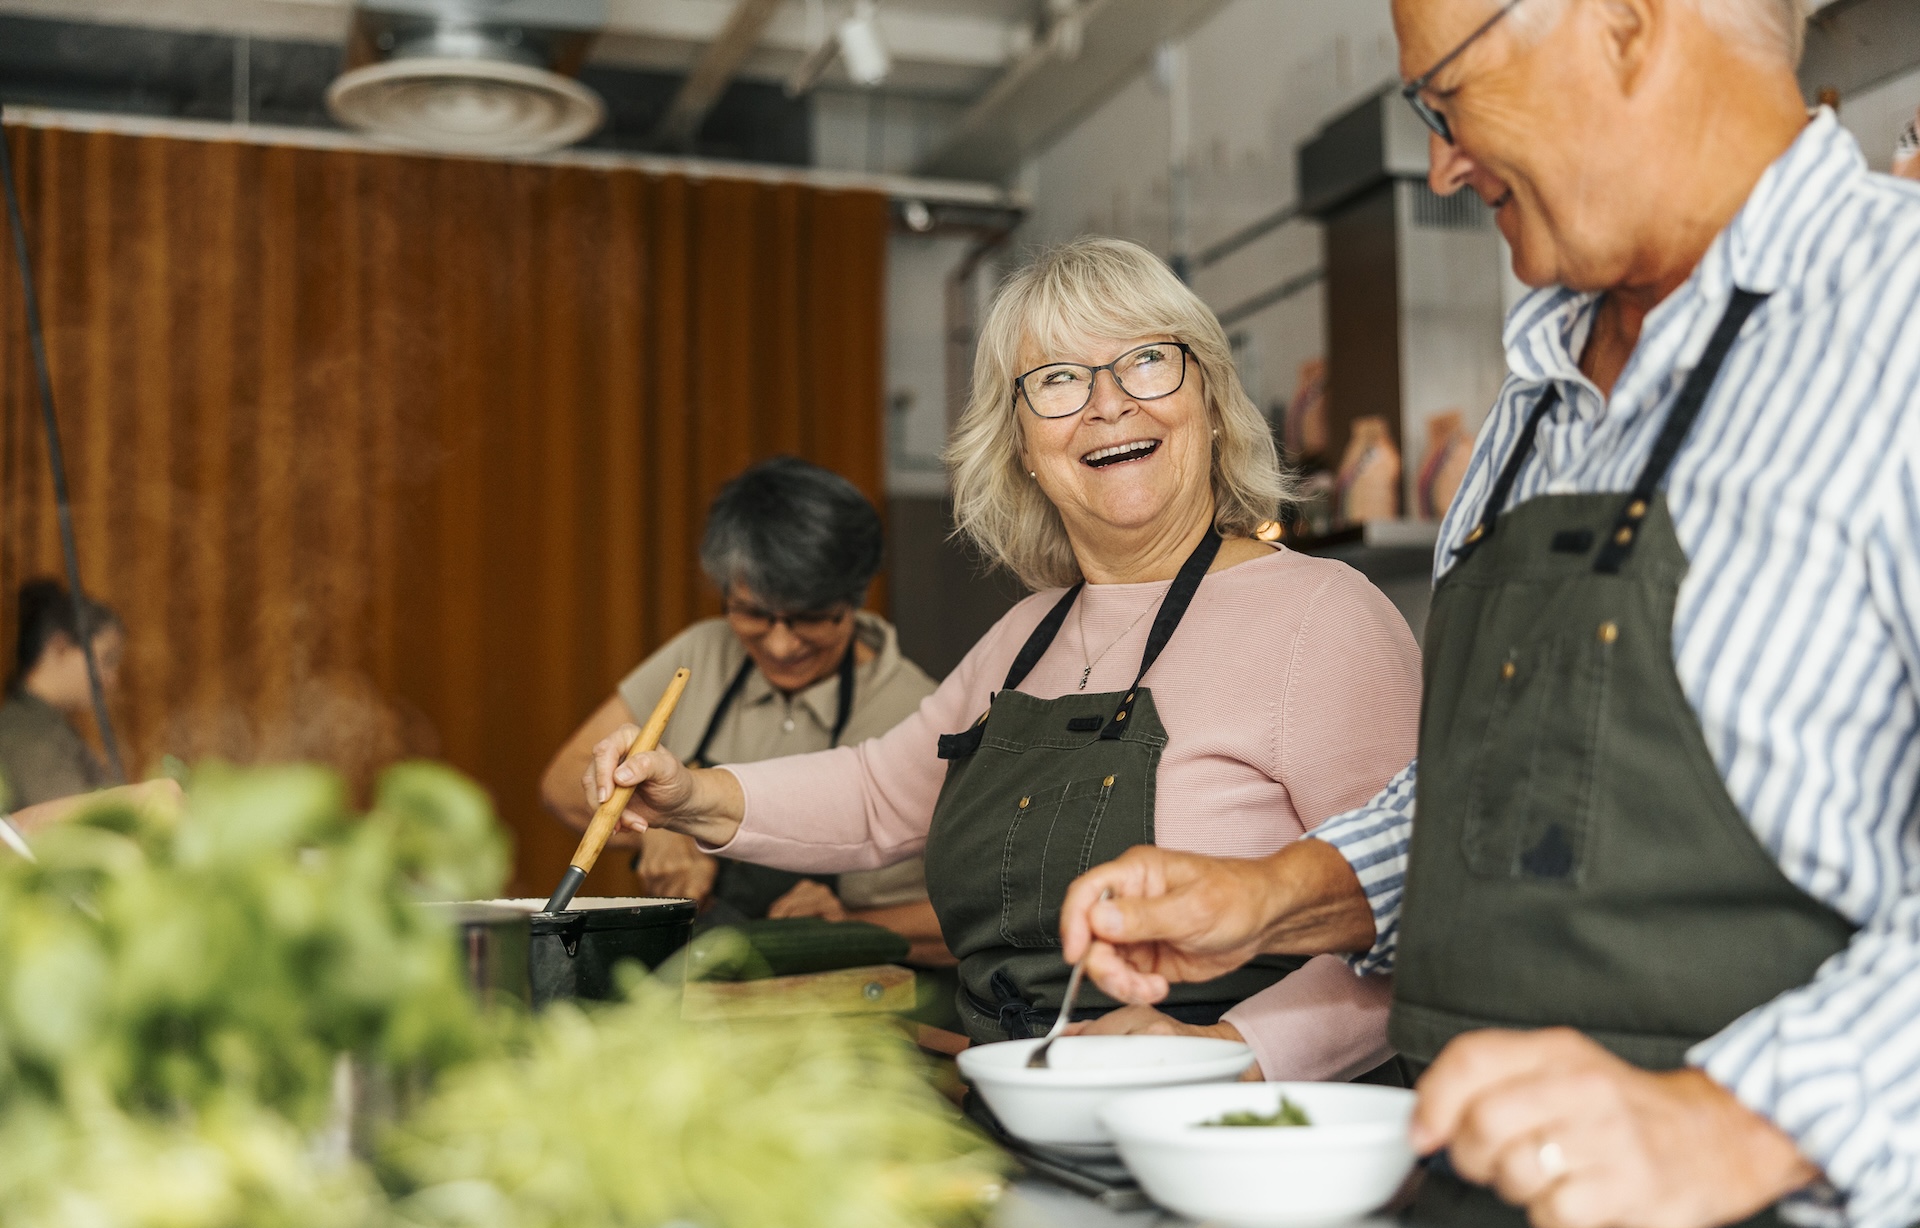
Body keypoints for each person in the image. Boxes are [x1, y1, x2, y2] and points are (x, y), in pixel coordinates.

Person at [1058, 0, 1920, 1228]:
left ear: (1626, 24)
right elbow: (1514, 779)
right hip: (1473, 1215)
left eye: (1445, 95)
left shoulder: (1900, 329)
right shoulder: (1535, 402)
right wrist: (1273, 896)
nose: (1442, 163)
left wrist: (1736, 1122)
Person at [582, 237, 1422, 1081]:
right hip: (1025, 1108)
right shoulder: (1027, 637)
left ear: (1206, 399)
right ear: (1021, 442)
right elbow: (879, 797)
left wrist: (1229, 1056)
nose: (1108, 404)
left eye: (1146, 362)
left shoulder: (1326, 616)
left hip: (1243, 1135)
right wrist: (690, 794)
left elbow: (1419, 914)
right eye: (1058, 380)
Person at [541, 457, 947, 960]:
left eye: (810, 618)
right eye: (753, 614)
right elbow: (562, 781)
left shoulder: (921, 709)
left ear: (855, 597)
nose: (779, 645)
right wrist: (660, 832)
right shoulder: (702, 654)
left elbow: (984, 916)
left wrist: (851, 925)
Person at [0, 579, 123, 813]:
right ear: (60, 647)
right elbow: (72, 824)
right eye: (106, 659)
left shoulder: (43, 724)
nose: (112, 679)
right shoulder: (27, 735)